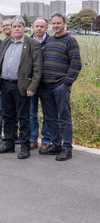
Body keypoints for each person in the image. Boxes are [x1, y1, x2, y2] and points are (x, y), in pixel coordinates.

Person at [0, 17, 42, 159]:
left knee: (23, 117)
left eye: (19, 26)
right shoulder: (6, 42)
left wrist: (32, 86)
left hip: (21, 86)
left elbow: (37, 69)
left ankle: (25, 147)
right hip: (5, 84)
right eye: (14, 26)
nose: (16, 28)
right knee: (8, 116)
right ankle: (9, 143)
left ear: (24, 28)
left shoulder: (32, 44)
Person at [38, 13, 82, 161]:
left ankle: (67, 148)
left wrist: (65, 84)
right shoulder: (49, 40)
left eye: (58, 23)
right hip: (45, 86)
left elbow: (76, 64)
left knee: (64, 117)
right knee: (50, 118)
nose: (56, 26)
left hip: (60, 86)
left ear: (64, 24)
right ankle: (56, 145)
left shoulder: (70, 41)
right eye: (54, 23)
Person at [29, 18, 51, 150]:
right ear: (32, 27)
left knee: (47, 112)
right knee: (31, 112)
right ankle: (32, 139)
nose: (39, 29)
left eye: (42, 26)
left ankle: (46, 139)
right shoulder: (27, 42)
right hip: (31, 82)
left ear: (46, 28)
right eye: (37, 26)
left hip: (47, 82)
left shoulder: (51, 41)